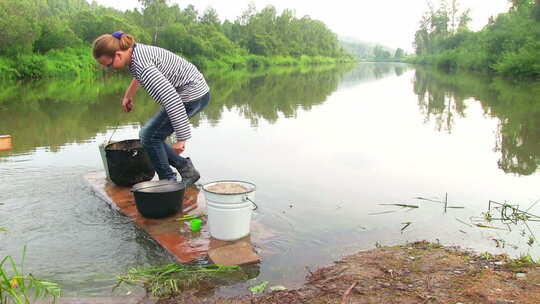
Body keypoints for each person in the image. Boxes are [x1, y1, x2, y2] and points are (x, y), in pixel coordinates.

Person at [92, 31, 210, 186]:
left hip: (191, 95)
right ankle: (184, 169)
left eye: (109, 64)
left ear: (119, 55)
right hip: (197, 92)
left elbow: (172, 99)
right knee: (150, 135)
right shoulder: (134, 52)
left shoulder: (142, 65)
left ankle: (168, 182)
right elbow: (139, 74)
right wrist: (128, 95)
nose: (110, 68)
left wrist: (181, 138)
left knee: (149, 136)